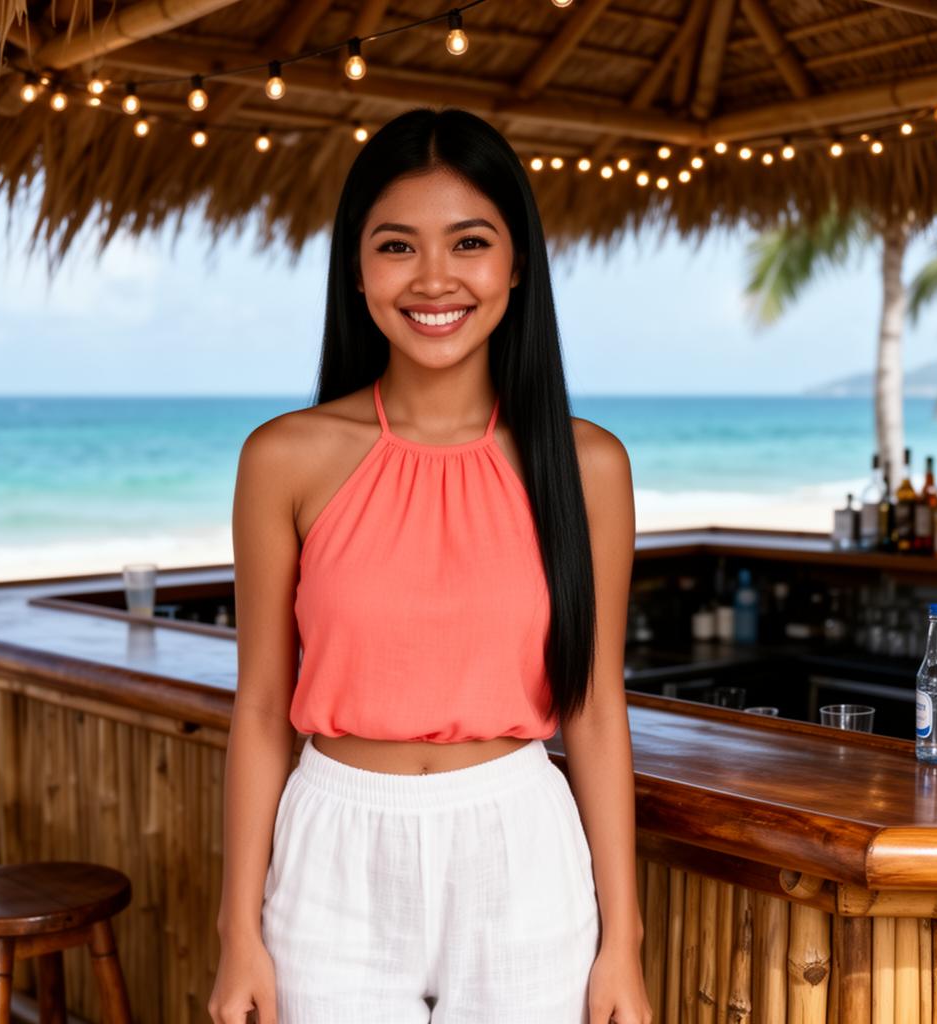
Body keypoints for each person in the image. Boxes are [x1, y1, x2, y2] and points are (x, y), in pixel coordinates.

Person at [208, 107, 650, 1024]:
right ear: (359, 270)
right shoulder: (283, 458)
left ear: (516, 264)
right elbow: (258, 710)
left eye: (470, 242)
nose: (436, 278)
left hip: (521, 851)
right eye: (398, 246)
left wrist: (624, 946)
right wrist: (237, 932)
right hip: (332, 849)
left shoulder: (588, 468)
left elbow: (597, 711)